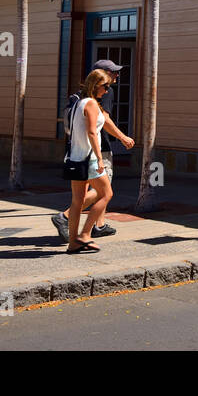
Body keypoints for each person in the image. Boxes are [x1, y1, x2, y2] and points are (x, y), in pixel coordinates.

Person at [52, 58, 133, 241]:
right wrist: (122, 138)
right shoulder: (102, 95)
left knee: (82, 194)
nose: (116, 76)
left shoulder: (80, 96)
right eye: (112, 72)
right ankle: (68, 219)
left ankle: (95, 227)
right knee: (104, 191)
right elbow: (101, 123)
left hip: (76, 151)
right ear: (100, 77)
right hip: (96, 150)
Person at [65, 70, 116, 253]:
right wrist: (100, 159)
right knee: (107, 194)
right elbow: (92, 132)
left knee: (77, 201)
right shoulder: (92, 104)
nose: (107, 90)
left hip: (76, 158)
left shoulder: (80, 102)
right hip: (90, 159)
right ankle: (85, 234)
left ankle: (73, 242)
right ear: (96, 85)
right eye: (106, 86)